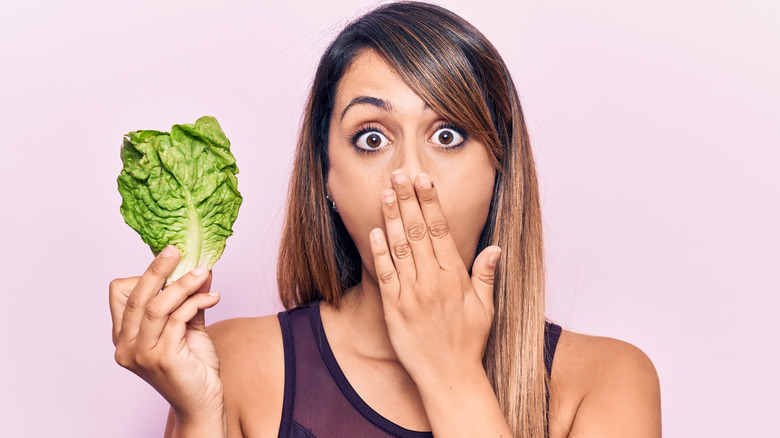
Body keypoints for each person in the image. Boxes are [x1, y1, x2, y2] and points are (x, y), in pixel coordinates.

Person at [109, 2, 662, 437]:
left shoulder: (608, 382)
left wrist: (451, 370)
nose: (409, 176)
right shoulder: (235, 366)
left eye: (448, 136)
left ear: (499, 167)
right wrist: (201, 418)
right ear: (326, 179)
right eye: (372, 138)